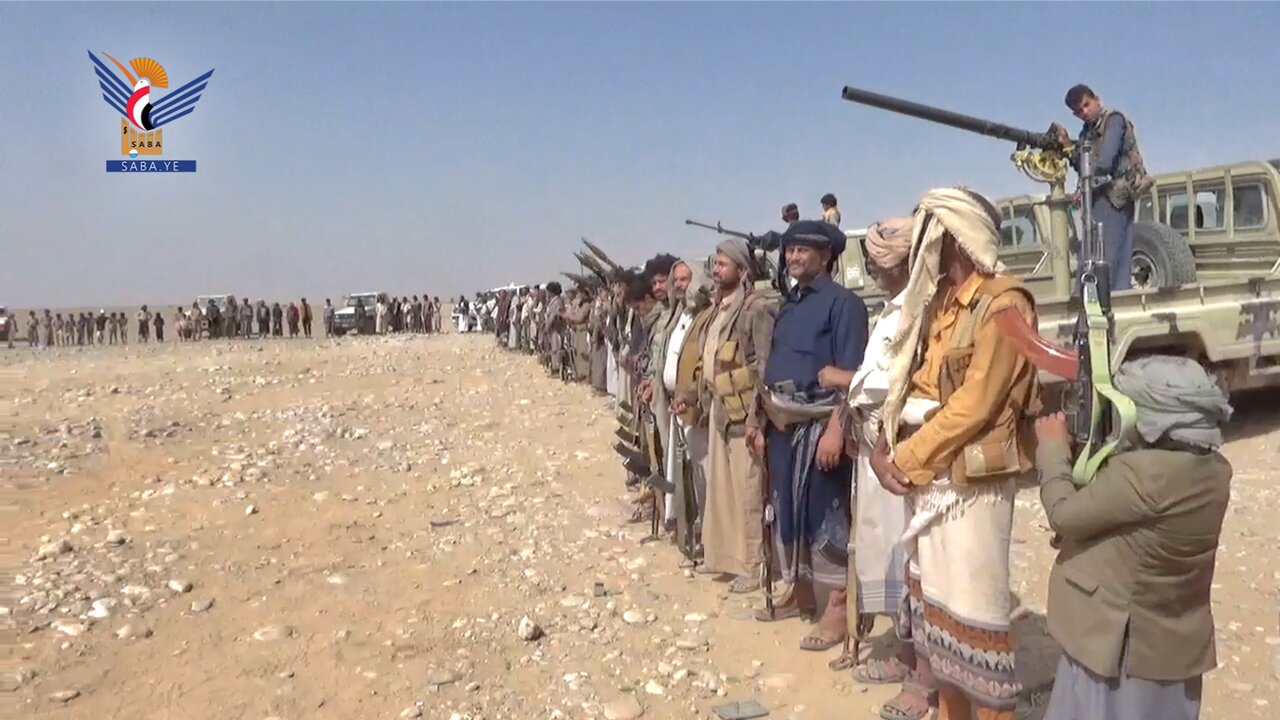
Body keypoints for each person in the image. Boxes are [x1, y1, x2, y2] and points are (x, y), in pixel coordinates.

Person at [872, 187, 1041, 720]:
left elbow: (976, 404)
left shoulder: (1004, 304)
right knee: (939, 623)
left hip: (970, 486)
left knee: (974, 620)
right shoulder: (938, 300)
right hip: (930, 478)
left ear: (954, 235)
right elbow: (907, 379)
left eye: (929, 229)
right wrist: (885, 445)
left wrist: (906, 457)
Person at [1036, 355, 1232, 720]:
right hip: (1171, 646)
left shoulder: (1143, 475)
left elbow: (1063, 515)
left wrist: (1052, 449)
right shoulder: (1216, 471)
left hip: (1119, 650)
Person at [818, 217, 937, 717]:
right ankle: (905, 654)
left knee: (910, 559)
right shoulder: (892, 310)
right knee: (883, 552)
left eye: (876, 262)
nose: (871, 270)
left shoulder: (921, 309)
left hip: (903, 449)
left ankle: (921, 671)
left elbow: (904, 378)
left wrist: (843, 380)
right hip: (875, 448)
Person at [756, 220, 867, 653]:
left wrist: (836, 429)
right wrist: (760, 424)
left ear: (826, 257)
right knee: (786, 509)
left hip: (821, 426)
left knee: (826, 514)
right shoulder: (788, 306)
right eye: (790, 250)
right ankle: (799, 591)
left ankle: (837, 607)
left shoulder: (844, 305)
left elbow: (853, 376)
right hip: (782, 426)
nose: (794, 257)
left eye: (803, 251)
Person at [698, 238, 776, 593]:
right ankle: (727, 558)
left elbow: (763, 367)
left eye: (723, 264)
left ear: (742, 270)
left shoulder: (753, 309)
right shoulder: (719, 309)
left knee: (749, 493)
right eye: (715, 264)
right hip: (721, 411)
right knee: (724, 490)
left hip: (745, 415)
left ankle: (755, 566)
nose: (716, 270)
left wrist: (755, 418)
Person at [1050, 84, 1150, 292]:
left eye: (1086, 105)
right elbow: (1084, 167)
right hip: (1098, 199)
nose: (1084, 112)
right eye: (1079, 111)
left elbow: (1104, 162)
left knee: (1110, 259)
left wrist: (1084, 183)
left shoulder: (1114, 121)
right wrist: (1068, 146)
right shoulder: (1087, 133)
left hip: (1115, 197)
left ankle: (1109, 299)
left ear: (1097, 100)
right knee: (1096, 257)